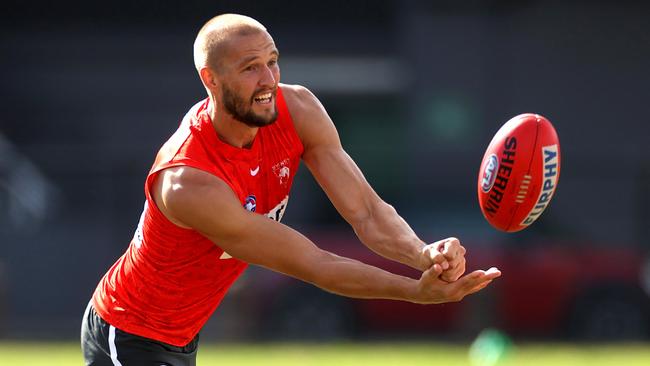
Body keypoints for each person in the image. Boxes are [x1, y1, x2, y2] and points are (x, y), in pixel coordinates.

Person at [81, 13, 501, 366]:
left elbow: (367, 212)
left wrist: (421, 253)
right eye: (249, 68)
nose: (268, 80)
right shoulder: (189, 182)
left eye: (273, 61)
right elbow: (314, 264)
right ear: (210, 79)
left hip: (180, 333)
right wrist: (414, 291)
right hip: (129, 331)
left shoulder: (296, 109)